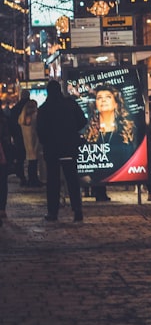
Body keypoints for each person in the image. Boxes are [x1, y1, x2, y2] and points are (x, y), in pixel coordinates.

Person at [36, 80, 87, 222]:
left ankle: (53, 212)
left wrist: (47, 141)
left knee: (53, 181)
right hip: (69, 147)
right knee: (72, 179)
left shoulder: (44, 108)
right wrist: (71, 131)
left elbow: (40, 131)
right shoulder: (70, 104)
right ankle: (77, 210)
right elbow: (83, 121)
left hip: (52, 149)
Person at [18, 94, 42, 186]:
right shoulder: (34, 117)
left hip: (26, 142)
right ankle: (34, 179)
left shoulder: (22, 118)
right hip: (34, 141)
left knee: (30, 161)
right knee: (34, 162)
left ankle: (31, 179)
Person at [7, 89, 28, 185]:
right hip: (28, 135)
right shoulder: (29, 106)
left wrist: (13, 135)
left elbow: (11, 123)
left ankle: (21, 175)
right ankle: (29, 177)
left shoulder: (16, 108)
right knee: (31, 157)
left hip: (18, 135)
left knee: (21, 157)